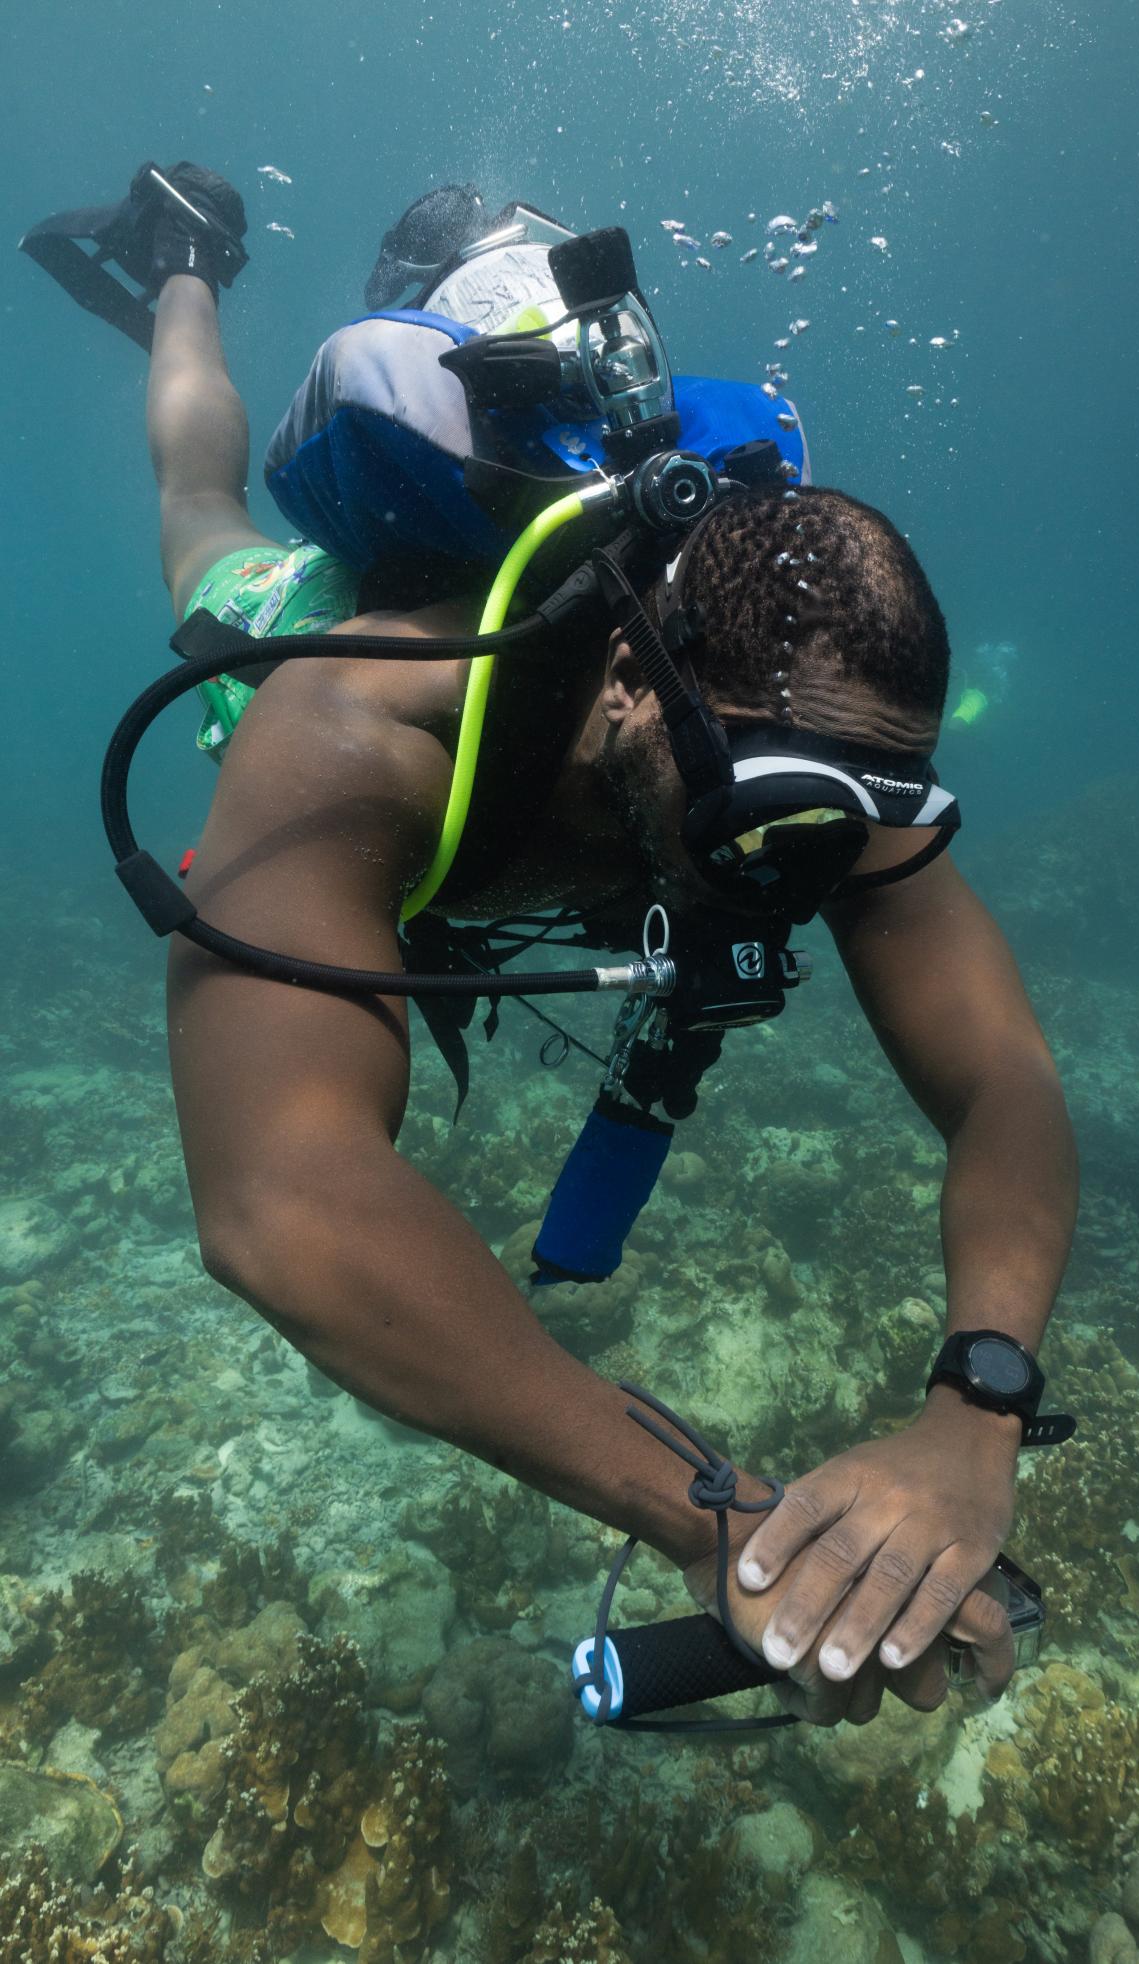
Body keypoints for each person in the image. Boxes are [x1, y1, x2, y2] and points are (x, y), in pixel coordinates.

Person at [24, 164, 1079, 1729]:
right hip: (352, 637)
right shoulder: (357, 730)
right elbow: (282, 1205)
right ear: (639, 685)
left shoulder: (816, 756)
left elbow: (1002, 1080)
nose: (799, 879)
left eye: (844, 825)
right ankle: (185, 265)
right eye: (768, 822)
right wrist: (714, 1517)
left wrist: (975, 1407)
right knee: (199, 521)